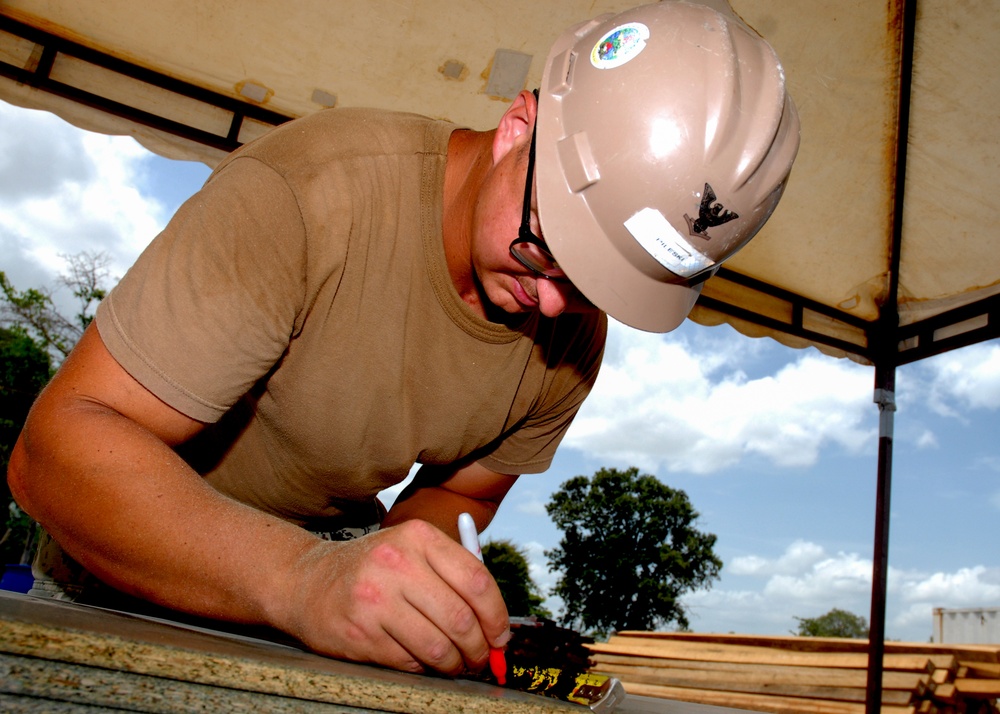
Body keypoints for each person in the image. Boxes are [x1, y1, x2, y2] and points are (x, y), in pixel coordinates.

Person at [7, 0, 799, 677]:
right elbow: (56, 451)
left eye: (596, 283)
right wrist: (299, 579)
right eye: (546, 247)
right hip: (119, 577)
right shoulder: (310, 197)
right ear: (518, 127)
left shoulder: (567, 340)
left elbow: (464, 493)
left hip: (309, 596)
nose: (555, 302)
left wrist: (403, 590)